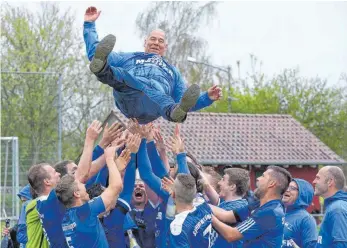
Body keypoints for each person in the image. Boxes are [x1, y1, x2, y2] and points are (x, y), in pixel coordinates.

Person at [83, 6, 222, 124]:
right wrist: (89, 25)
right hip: (130, 95)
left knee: (168, 101)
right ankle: (100, 68)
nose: (156, 43)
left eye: (160, 41)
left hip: (154, 103)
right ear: (145, 42)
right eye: (153, 39)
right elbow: (94, 53)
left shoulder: (173, 72)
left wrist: (206, 98)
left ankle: (175, 114)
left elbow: (184, 101)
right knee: (121, 74)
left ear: (165, 47)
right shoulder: (129, 57)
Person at [26, 120, 103, 248]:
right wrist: (90, 140)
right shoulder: (45, 203)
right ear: (47, 181)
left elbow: (84, 174)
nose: (58, 174)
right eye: (54, 172)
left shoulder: (49, 202)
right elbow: (82, 175)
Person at [56, 144, 130, 248]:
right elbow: (116, 186)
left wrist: (117, 171)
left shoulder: (66, 216)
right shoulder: (85, 211)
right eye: (80, 184)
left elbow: (109, 205)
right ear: (76, 193)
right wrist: (109, 159)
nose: (84, 185)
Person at [210, 166, 292, 248]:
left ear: (271, 183)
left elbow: (231, 235)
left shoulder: (270, 212)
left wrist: (207, 214)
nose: (258, 178)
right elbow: (227, 215)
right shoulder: (261, 204)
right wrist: (201, 204)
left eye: (263, 176)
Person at [162, 174, 214, 248]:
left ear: (173, 195)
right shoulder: (203, 205)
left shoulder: (178, 227)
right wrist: (176, 191)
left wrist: (176, 191)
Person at [202, 168, 249, 248]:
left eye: (223, 180)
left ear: (232, 187)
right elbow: (207, 187)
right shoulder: (225, 203)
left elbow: (222, 214)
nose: (219, 183)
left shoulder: (240, 206)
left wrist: (198, 203)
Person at [312, 166, 347, 247]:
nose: (314, 181)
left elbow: (342, 245)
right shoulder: (334, 206)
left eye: (318, 178)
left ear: (330, 182)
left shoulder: (338, 209)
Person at [282, 178, 317, 248]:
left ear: (302, 194)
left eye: (293, 188)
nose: (287, 190)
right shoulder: (276, 213)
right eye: (287, 186)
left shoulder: (306, 219)